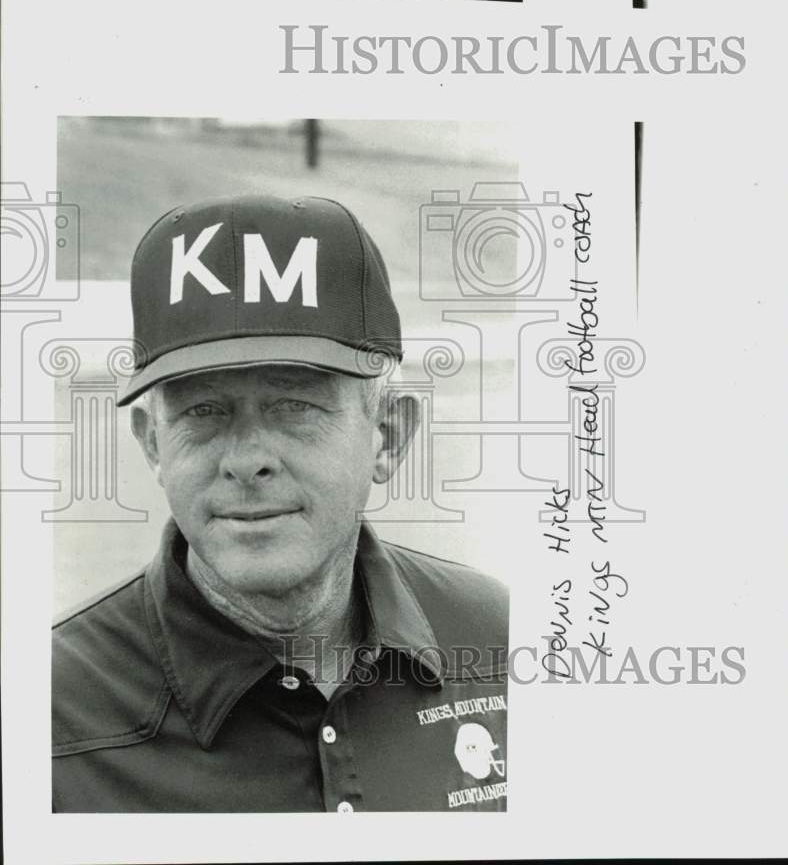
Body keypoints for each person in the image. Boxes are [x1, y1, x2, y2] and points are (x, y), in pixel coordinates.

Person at [52, 194, 509, 813]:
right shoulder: (50, 711)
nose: (246, 459)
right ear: (154, 444)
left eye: (294, 406)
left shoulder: (500, 639)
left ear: (390, 434)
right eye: (203, 411)